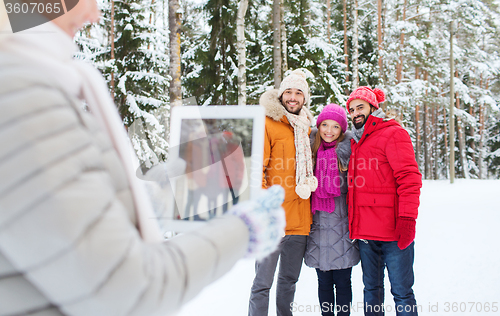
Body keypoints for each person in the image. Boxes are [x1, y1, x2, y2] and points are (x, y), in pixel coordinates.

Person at [0, 2, 286, 315]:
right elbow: (128, 289)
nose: (94, 15)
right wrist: (243, 230)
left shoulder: (30, 79)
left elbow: (53, 225)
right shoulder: (22, 92)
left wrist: (153, 196)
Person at [345, 86, 422, 316]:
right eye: (351, 109)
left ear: (373, 107)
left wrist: (408, 218)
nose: (355, 113)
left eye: (360, 107)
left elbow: (409, 178)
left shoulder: (392, 133)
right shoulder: (354, 141)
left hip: (393, 232)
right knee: (372, 291)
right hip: (367, 235)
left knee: (401, 292)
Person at [248, 69, 318, 316]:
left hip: (299, 222)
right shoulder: (268, 123)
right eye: (288, 91)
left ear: (304, 98)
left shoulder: (308, 128)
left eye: (298, 92)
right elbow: (257, 170)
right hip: (274, 220)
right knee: (262, 285)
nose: (292, 97)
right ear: (280, 95)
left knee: (288, 283)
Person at [304, 104, 360, 316]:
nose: (329, 130)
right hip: (317, 227)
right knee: (324, 282)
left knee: (344, 282)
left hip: (342, 227)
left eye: (335, 126)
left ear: (342, 130)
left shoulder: (348, 153)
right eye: (325, 125)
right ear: (319, 126)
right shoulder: (309, 153)